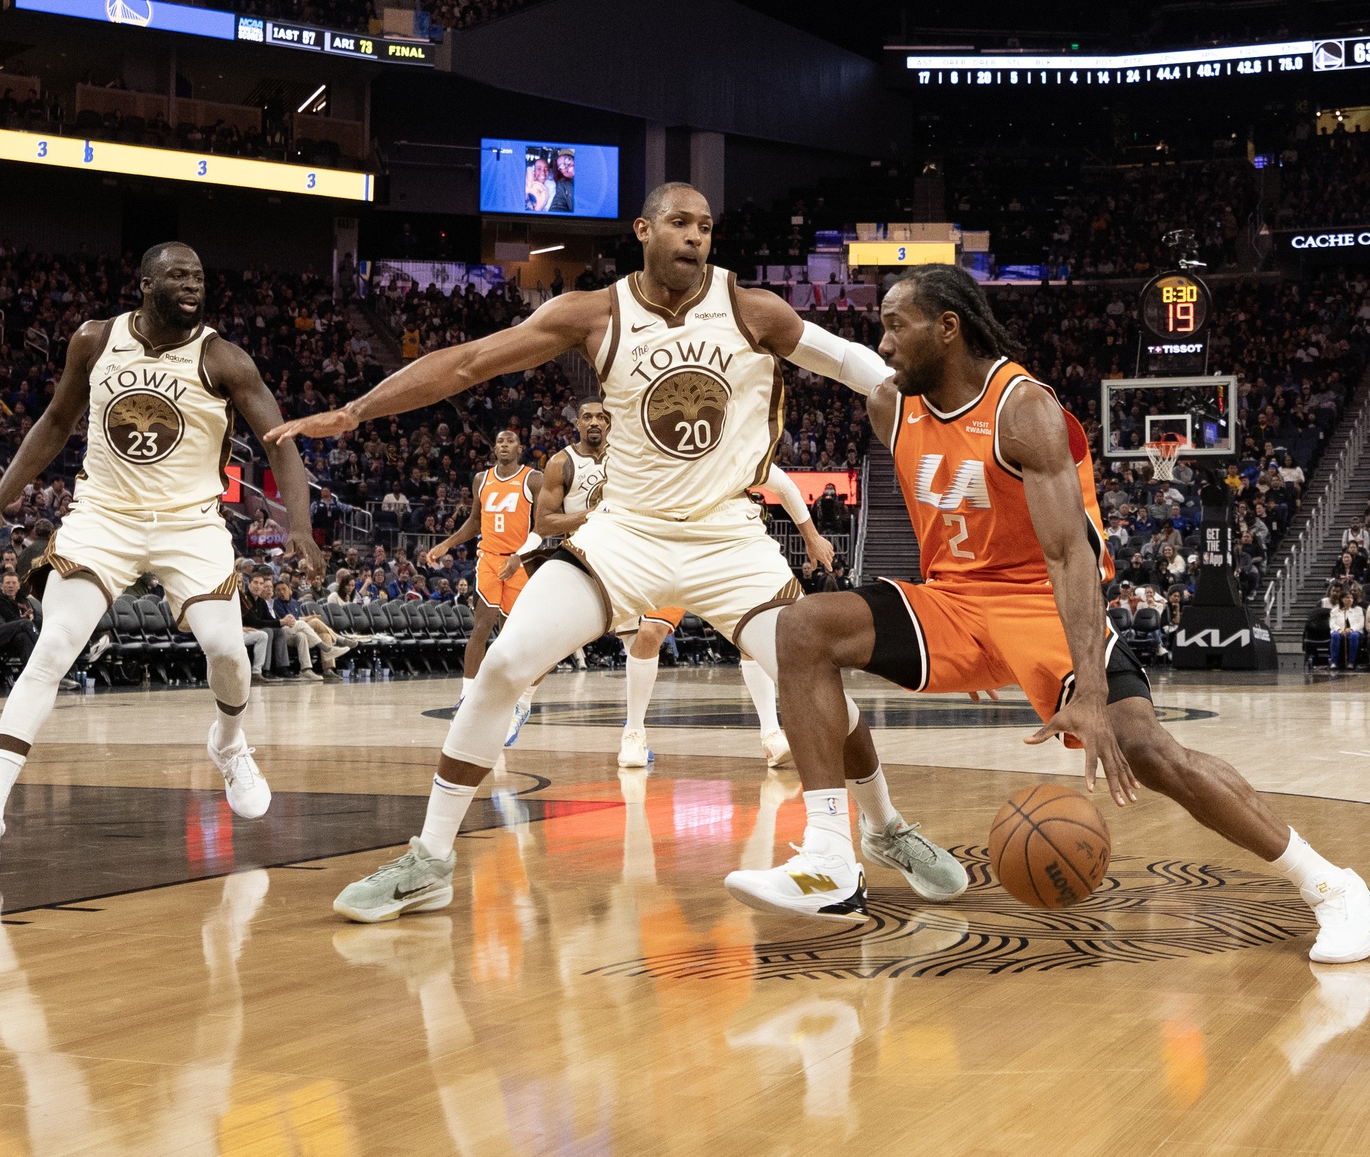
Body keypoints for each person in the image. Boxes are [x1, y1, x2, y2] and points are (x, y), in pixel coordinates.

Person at [272, 181, 920, 924]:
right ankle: (429, 859)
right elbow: (469, 363)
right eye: (680, 223)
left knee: (814, 684)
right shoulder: (592, 312)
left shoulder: (753, 309)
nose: (695, 237)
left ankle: (886, 827)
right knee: (505, 665)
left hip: (727, 534)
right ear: (643, 230)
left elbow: (853, 365)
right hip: (627, 532)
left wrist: (938, 405)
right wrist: (356, 410)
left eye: (706, 226)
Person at [770, 263, 1370, 963]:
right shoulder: (889, 403)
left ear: (948, 327)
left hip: (1040, 604)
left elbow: (1070, 559)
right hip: (952, 601)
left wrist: (1091, 693)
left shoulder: (1024, 410)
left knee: (1147, 748)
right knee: (802, 627)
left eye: (894, 325)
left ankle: (1333, 886)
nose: (883, 342)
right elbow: (811, 343)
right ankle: (831, 854)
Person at [0, 242, 323, 867]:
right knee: (53, 646)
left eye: (199, 275)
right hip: (102, 517)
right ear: (145, 282)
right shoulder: (94, 340)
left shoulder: (223, 358)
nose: (193, 283)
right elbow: (54, 422)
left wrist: (299, 522)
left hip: (190, 524)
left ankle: (230, 743)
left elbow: (279, 443)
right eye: (179, 274)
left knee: (225, 651)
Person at [523, 397, 833, 768]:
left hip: (724, 554)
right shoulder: (642, 454)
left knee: (758, 638)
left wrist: (812, 537)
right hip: (663, 551)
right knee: (647, 633)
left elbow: (782, 484)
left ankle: (771, 735)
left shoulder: (730, 448)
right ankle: (632, 733)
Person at [422, 428, 548, 745]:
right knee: (482, 623)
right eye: (500, 440)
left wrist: (520, 557)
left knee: (514, 635)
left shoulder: (533, 479)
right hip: (489, 559)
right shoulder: (481, 479)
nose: (504, 444)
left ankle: (511, 699)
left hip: (519, 562)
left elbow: (542, 525)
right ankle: (467, 696)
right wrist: (446, 544)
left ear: (520, 447)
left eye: (510, 440)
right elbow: (475, 522)